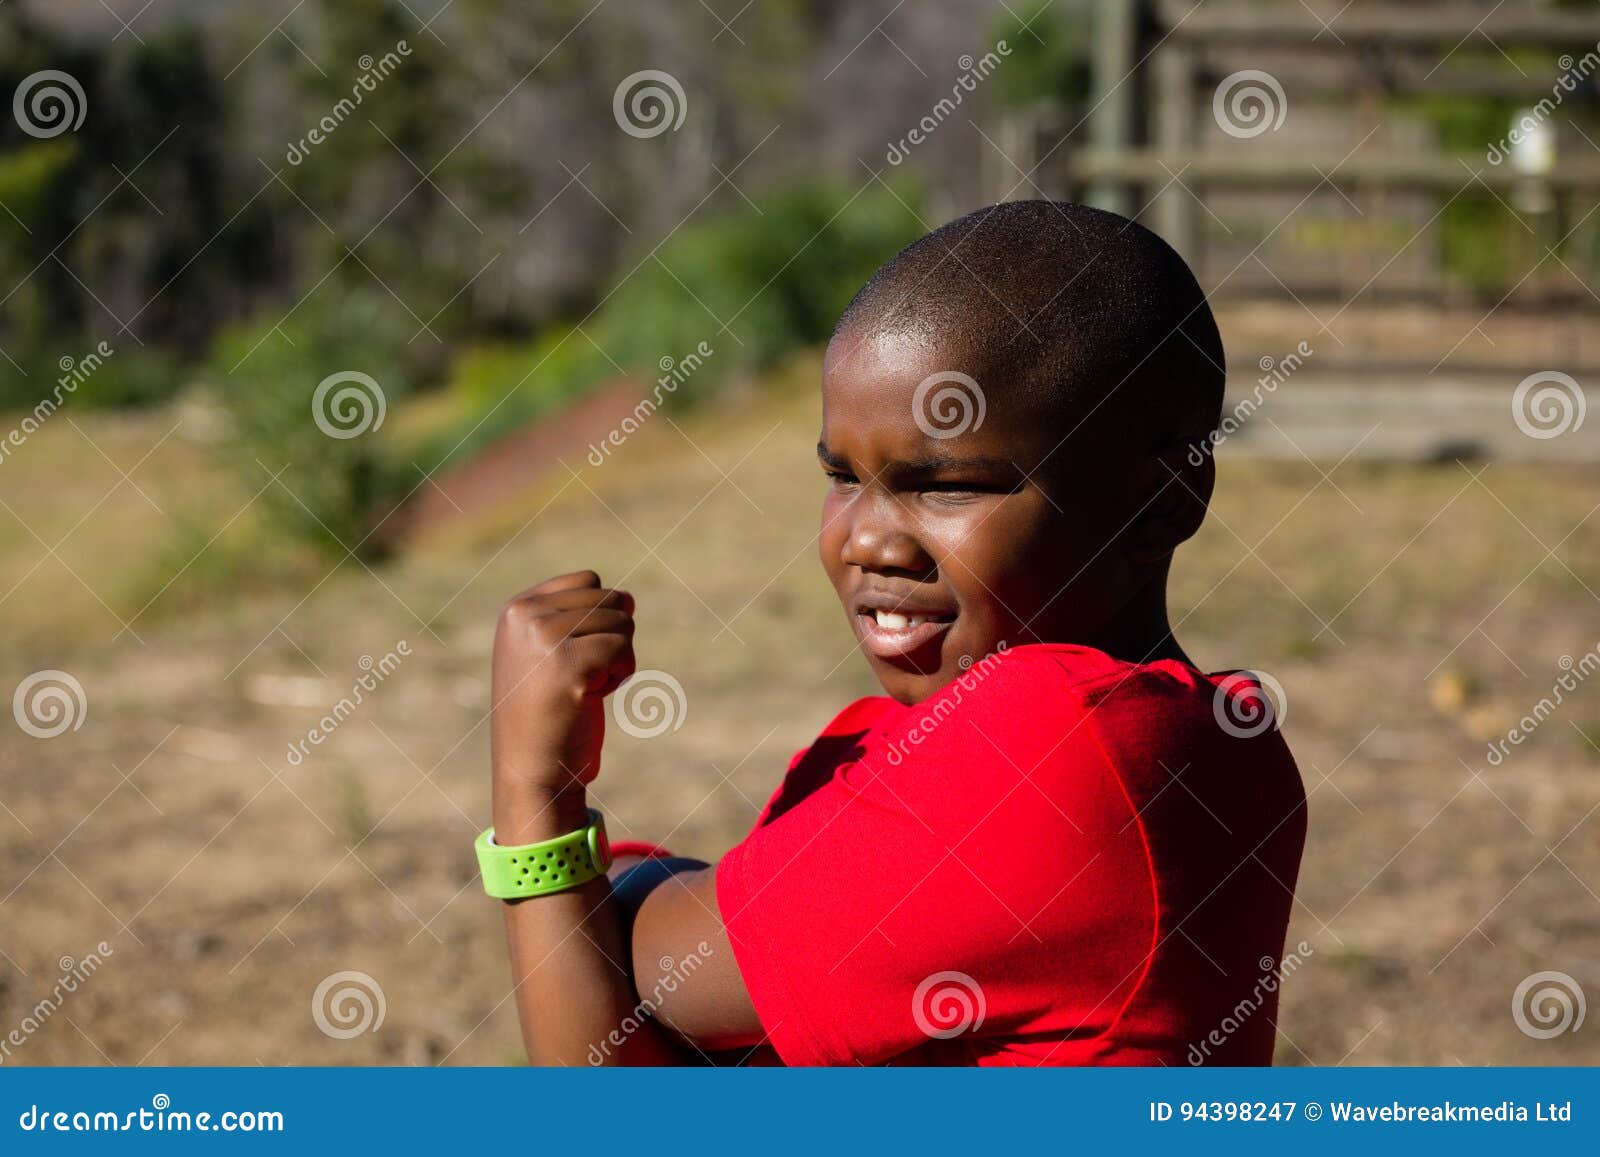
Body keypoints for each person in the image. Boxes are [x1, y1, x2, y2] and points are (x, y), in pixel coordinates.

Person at [480, 200, 1307, 1066]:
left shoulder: (1051, 750)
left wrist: (536, 795)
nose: (866, 540)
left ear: (1160, 501)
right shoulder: (1207, 733)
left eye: (946, 484)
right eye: (843, 475)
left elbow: (623, 1033)